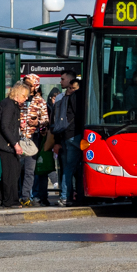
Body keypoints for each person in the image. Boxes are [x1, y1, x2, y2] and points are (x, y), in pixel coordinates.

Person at [0, 83, 29, 208]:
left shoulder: (13, 105)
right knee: (9, 172)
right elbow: (4, 127)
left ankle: (6, 197)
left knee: (15, 170)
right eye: (24, 96)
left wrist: (18, 126)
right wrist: (15, 144)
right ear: (17, 94)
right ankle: (8, 200)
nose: (26, 98)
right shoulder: (8, 105)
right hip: (5, 143)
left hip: (8, 142)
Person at [51, 70, 84, 206]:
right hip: (76, 135)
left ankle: (66, 197)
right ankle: (76, 196)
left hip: (65, 136)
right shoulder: (79, 97)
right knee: (80, 167)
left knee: (68, 168)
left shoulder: (63, 99)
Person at [18, 74, 47, 207]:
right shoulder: (18, 99)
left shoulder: (40, 101)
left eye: (30, 85)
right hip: (17, 137)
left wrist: (38, 122)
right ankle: (15, 195)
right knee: (17, 169)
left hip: (32, 138)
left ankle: (25, 197)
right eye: (25, 84)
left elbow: (46, 120)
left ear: (35, 86)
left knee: (29, 170)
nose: (27, 88)